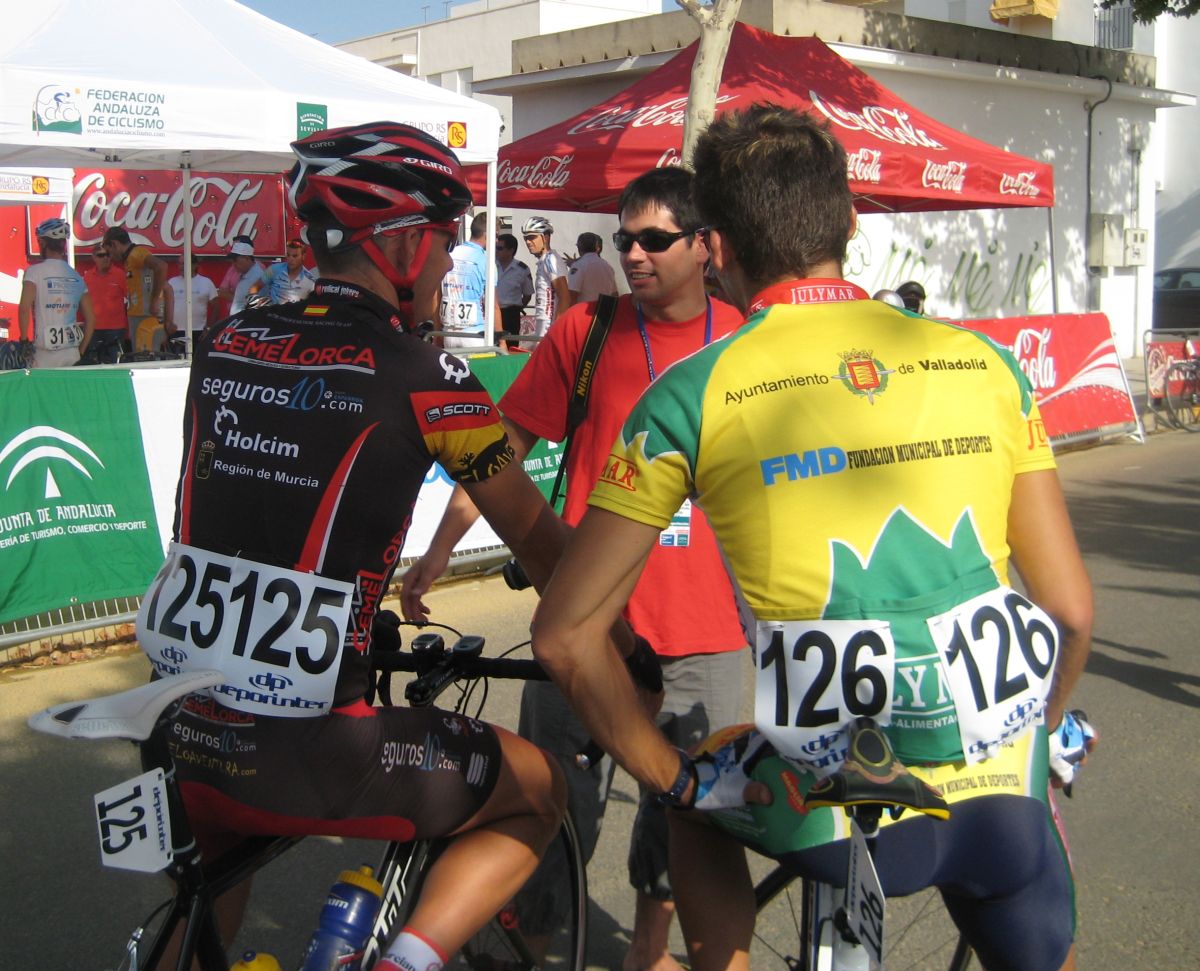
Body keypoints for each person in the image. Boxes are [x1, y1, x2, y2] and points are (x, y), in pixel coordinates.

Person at [531, 104, 1095, 971]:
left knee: (694, 791)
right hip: (1003, 798)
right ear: (852, 223)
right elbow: (1070, 611)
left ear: (717, 247)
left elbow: (566, 635)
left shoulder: (690, 392)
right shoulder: (986, 363)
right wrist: (1039, 735)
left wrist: (676, 776)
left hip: (823, 801)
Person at [136, 122, 570, 971]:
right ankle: (402, 961)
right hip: (315, 751)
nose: (448, 263)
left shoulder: (222, 346)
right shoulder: (431, 378)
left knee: (204, 907)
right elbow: (537, 540)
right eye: (445, 239)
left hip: (177, 727)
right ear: (403, 245)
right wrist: (618, 639)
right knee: (541, 788)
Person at [402, 167, 747, 971]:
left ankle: (649, 951)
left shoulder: (746, 341)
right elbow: (501, 452)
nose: (634, 254)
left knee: (692, 816)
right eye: (625, 238)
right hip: (587, 627)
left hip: (709, 633)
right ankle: (528, 946)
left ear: (706, 245)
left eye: (655, 239)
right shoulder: (586, 331)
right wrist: (441, 546)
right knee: (554, 802)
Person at [17, 217, 95, 368]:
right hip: (72, 352)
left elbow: (24, 309)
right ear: (63, 244)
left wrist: (24, 341)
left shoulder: (34, 272)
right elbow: (91, 319)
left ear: (42, 243)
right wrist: (81, 352)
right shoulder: (76, 276)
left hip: (44, 353)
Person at [440, 211, 502, 349]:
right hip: (475, 333)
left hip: (448, 332)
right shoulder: (486, 260)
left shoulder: (450, 254)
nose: (497, 241)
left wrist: (438, 332)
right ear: (488, 234)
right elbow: (493, 305)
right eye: (496, 236)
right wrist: (502, 341)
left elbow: (437, 295)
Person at [102, 226, 166, 354]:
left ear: (114, 244)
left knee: (145, 359)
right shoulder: (129, 258)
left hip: (146, 317)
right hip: (138, 316)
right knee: (139, 357)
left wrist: (154, 301)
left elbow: (161, 266)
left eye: (109, 252)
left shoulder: (137, 253)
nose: (110, 257)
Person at [80, 241, 128, 363]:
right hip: (93, 329)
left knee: (116, 364)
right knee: (92, 364)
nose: (105, 258)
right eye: (101, 255)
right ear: (94, 257)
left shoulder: (120, 274)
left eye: (108, 254)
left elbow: (131, 298)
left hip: (116, 330)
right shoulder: (88, 276)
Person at [522, 215, 569, 337]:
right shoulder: (544, 260)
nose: (528, 242)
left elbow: (564, 297)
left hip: (549, 326)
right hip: (542, 323)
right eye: (525, 238)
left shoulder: (550, 260)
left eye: (532, 237)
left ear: (545, 238)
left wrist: (556, 330)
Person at [164, 257, 219, 340]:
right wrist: (165, 328)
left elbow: (216, 307)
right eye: (179, 263)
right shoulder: (172, 282)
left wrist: (209, 328)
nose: (181, 266)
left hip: (199, 331)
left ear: (194, 265)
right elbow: (164, 306)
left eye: (184, 263)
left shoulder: (206, 282)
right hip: (174, 330)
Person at [496, 231, 533, 347]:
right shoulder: (490, 265)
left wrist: (517, 308)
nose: (496, 251)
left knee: (511, 348)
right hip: (492, 313)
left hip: (511, 315)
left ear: (511, 250)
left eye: (500, 248)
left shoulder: (522, 269)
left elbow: (527, 294)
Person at [216, 235, 265, 314]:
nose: (233, 264)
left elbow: (256, 307)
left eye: (235, 261)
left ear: (247, 258)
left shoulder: (258, 276)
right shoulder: (244, 272)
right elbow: (221, 292)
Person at [259, 237, 317, 304]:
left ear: (303, 256)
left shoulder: (311, 281)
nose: (290, 259)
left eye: (295, 256)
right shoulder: (273, 269)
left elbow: (314, 305)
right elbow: (255, 287)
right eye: (288, 255)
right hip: (272, 310)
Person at [566, 231, 619, 304]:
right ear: (596, 247)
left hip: (584, 310)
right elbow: (614, 295)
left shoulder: (578, 266)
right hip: (603, 310)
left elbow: (571, 296)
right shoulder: (608, 266)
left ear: (579, 247)